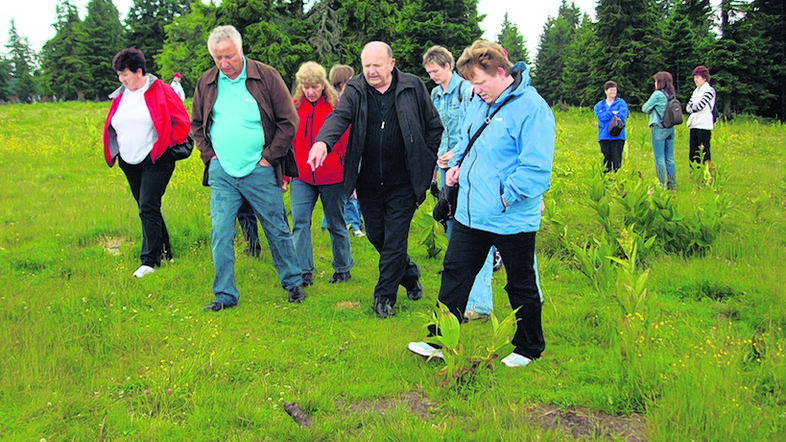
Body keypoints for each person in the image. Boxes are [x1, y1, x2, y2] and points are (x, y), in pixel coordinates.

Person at [407, 40, 554, 368]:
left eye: (479, 82)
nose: (475, 90)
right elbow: (466, 138)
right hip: (470, 213)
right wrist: (457, 163)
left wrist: (506, 196)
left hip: (510, 216)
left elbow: (536, 166)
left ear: (500, 73)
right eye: (471, 83)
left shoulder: (532, 108)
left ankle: (528, 348)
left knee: (520, 282)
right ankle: (441, 341)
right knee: (454, 276)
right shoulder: (478, 100)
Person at [307, 41, 443, 318]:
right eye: (366, 65)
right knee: (377, 235)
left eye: (376, 66)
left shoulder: (413, 87)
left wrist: (425, 161)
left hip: (404, 182)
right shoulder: (356, 89)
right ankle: (409, 273)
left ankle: (384, 297)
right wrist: (323, 142)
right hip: (368, 181)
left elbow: (434, 126)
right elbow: (340, 117)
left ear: (391, 64)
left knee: (395, 239)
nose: (370, 71)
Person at [191, 25, 307, 311]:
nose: (224, 63)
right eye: (218, 58)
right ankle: (224, 295)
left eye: (229, 56)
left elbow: (288, 121)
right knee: (220, 233)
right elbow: (196, 125)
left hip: (260, 169)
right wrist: (211, 157)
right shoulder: (206, 82)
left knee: (276, 227)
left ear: (240, 50)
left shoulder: (265, 76)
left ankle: (293, 283)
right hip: (222, 173)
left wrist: (268, 157)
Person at [102, 48, 190, 278]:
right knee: (147, 207)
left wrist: (166, 147)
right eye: (119, 75)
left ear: (139, 71)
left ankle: (150, 261)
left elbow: (182, 122)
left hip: (156, 158)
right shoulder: (121, 96)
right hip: (129, 160)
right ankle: (165, 251)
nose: (121, 79)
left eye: (125, 74)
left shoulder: (162, 90)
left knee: (148, 206)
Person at [423, 44, 493, 320]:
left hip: (467, 166)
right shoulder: (435, 94)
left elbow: (474, 129)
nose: (433, 76)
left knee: (475, 229)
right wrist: (437, 160)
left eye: (436, 71)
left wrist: (457, 155)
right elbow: (437, 129)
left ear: (448, 66)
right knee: (452, 226)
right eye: (429, 73)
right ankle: (460, 293)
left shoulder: (468, 90)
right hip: (445, 168)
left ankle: (479, 300)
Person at [289, 61, 354, 286]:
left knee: (336, 223)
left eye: (315, 86)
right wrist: (287, 176)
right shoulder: (295, 107)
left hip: (332, 175)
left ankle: (343, 267)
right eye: (306, 87)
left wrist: (349, 176)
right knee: (299, 223)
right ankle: (304, 270)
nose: (311, 91)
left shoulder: (336, 107)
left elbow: (346, 143)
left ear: (323, 85)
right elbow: (291, 144)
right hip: (302, 176)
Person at [321, 64, 364, 237]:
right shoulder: (335, 101)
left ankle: (328, 223)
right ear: (343, 81)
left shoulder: (348, 97)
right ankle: (354, 225)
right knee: (349, 188)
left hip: (349, 148)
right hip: (340, 151)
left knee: (339, 191)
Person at [642, 71, 677, 190]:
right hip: (670, 128)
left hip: (659, 128)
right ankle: (672, 184)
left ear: (659, 82)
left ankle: (661, 184)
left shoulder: (657, 95)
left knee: (659, 158)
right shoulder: (671, 94)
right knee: (670, 158)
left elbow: (645, 108)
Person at [594, 81, 629, 173]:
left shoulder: (621, 102)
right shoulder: (599, 105)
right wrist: (612, 113)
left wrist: (611, 114)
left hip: (618, 135)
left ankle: (617, 179)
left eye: (615, 90)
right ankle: (606, 179)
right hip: (604, 135)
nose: (613, 92)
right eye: (611, 90)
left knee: (617, 159)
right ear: (606, 91)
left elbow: (622, 115)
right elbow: (602, 117)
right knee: (606, 159)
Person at [686, 65, 716, 167]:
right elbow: (688, 107)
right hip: (694, 124)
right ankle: (694, 172)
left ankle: (706, 174)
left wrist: (693, 108)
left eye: (698, 77)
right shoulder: (696, 91)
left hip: (704, 125)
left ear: (704, 78)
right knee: (693, 151)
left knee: (704, 151)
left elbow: (700, 106)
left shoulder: (709, 90)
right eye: (695, 78)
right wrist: (692, 108)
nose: (696, 80)